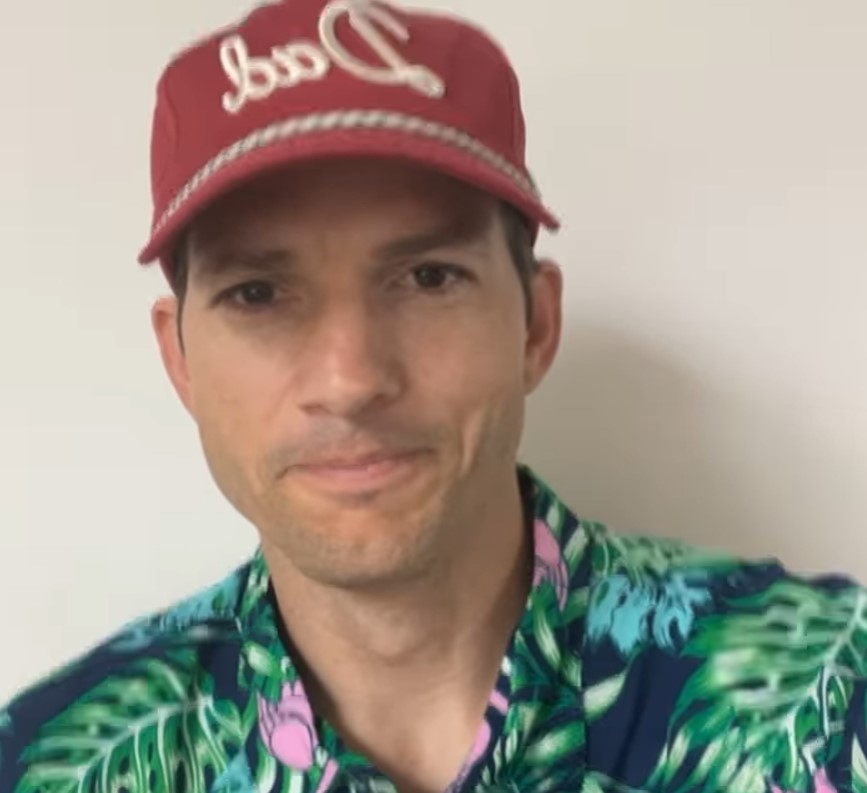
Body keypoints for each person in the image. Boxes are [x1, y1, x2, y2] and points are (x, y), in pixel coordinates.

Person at [1, 1, 865, 791]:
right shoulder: (52, 768)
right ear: (180, 359)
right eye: (258, 294)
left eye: (427, 277)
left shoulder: (829, 697)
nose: (348, 379)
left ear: (534, 324)